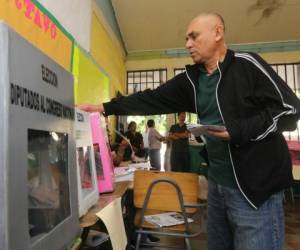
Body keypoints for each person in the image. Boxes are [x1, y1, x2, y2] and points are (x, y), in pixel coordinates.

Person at [78, 13, 300, 250]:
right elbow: (150, 99)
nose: (187, 44)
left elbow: (290, 110)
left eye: (194, 37)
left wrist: (238, 130)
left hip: (254, 191)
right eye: (186, 39)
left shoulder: (246, 65)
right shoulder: (192, 80)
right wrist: (104, 108)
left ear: (217, 33)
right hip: (217, 187)